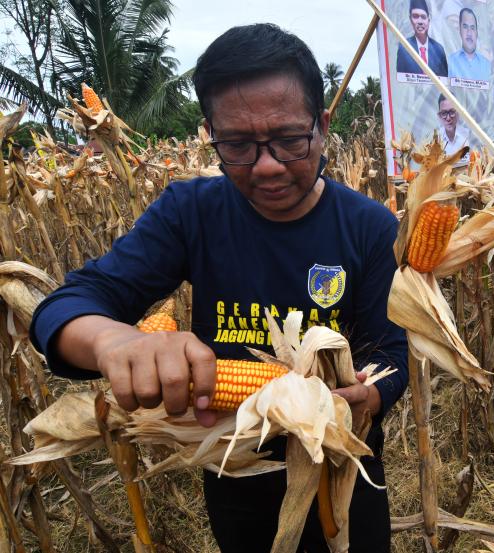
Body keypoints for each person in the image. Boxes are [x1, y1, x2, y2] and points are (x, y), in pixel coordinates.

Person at [29, 23, 408, 553]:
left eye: (290, 139)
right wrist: (117, 343)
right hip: (233, 468)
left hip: (344, 468)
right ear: (210, 134)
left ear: (322, 126)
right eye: (238, 145)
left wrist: (369, 395)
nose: (268, 165)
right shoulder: (191, 214)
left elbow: (392, 353)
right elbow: (64, 308)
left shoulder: (369, 227)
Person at [396, 0, 448, 77]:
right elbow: (400, 79)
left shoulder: (438, 49)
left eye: (423, 17)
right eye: (415, 16)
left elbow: (444, 79)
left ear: (428, 21)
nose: (420, 21)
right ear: (410, 19)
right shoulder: (404, 48)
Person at [448, 7, 491, 81]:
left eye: (472, 28)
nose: (469, 33)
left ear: (477, 33)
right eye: (465, 27)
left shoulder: (486, 65)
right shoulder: (450, 61)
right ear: (460, 30)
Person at [436, 94, 469, 159]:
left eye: (452, 112)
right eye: (444, 113)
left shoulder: (468, 136)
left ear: (458, 112)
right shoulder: (434, 140)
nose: (448, 118)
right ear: (439, 115)